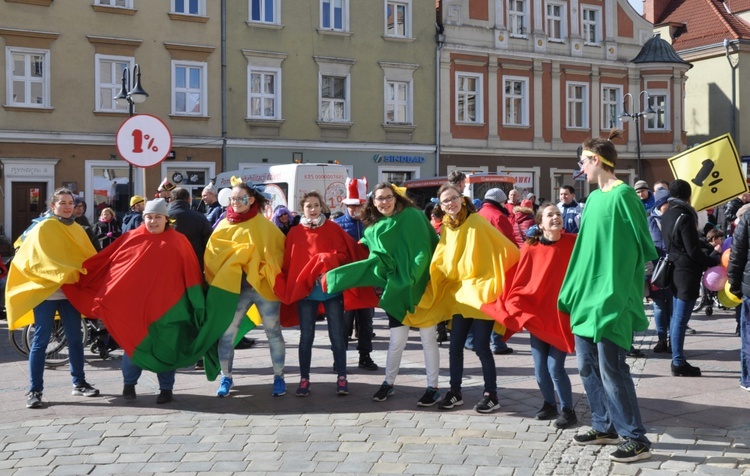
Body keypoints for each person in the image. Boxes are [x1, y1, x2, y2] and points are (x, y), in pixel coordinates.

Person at [558, 130, 656, 463]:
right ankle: (603, 424)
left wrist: (620, 289)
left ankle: (635, 437)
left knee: (613, 369)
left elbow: (642, 246)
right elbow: (585, 250)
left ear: (596, 160)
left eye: (582, 162)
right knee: (586, 366)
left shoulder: (624, 195)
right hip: (587, 297)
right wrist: (574, 287)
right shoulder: (594, 199)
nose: (581, 168)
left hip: (611, 298)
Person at [64, 198, 210, 404]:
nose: (153, 221)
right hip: (135, 310)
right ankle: (129, 385)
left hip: (169, 309)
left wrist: (196, 303)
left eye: (157, 217)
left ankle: (166, 389)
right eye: (149, 217)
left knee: (167, 348)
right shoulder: (132, 237)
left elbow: (191, 275)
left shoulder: (179, 241)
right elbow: (110, 263)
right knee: (134, 348)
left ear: (167, 219)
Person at [325, 183, 441, 407]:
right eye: (380, 199)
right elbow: (375, 256)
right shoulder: (373, 228)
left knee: (428, 339)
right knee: (397, 341)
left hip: (423, 288)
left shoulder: (413, 216)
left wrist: (412, 280)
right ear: (373, 202)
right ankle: (388, 382)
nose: (385, 202)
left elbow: (423, 252)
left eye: (389, 197)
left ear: (396, 199)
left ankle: (432, 387)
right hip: (396, 290)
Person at [412, 183, 519, 414]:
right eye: (445, 201)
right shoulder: (448, 228)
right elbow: (444, 258)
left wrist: (494, 280)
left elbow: (505, 249)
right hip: (460, 296)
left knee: (481, 345)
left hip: (480, 294)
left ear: (462, 199)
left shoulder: (477, 222)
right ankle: (455, 391)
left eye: (453, 198)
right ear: (440, 206)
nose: (450, 204)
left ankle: (491, 394)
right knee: (455, 346)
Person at [5, 188, 100, 409]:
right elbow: (35, 259)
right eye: (62, 203)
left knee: (76, 340)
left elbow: (87, 258)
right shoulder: (43, 227)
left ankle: (79, 383)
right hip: (46, 293)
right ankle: (35, 390)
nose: (67, 206)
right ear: (52, 206)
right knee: (40, 342)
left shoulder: (78, 229)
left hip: (70, 294)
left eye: (70, 203)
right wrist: (61, 272)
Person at [275, 192, 374, 396]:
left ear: (322, 207)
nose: (313, 209)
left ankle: (342, 377)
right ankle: (304, 379)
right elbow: (289, 263)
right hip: (306, 294)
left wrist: (325, 259)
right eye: (309, 206)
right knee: (306, 337)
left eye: (316, 205)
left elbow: (346, 254)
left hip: (331, 292)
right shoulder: (295, 233)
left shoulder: (333, 228)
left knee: (337, 336)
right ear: (302, 209)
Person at [489, 203, 578, 429]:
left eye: (558, 214)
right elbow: (519, 281)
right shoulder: (531, 248)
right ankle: (549, 404)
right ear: (540, 223)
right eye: (550, 215)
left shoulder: (573, 243)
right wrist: (517, 305)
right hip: (538, 317)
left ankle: (568, 410)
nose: (556, 217)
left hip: (562, 316)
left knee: (555, 367)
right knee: (539, 369)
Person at [203, 179, 287, 398]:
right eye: (232, 199)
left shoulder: (265, 225)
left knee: (273, 333)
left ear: (250, 200)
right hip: (234, 290)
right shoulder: (223, 224)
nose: (236, 203)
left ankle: (279, 377)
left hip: (263, 288)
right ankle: (226, 376)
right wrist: (235, 262)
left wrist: (260, 263)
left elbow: (279, 252)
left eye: (240, 198)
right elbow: (212, 254)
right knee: (227, 334)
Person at [661, 179, 719, 377]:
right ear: (688, 195)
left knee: (676, 316)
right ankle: (678, 361)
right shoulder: (685, 216)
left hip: (674, 270)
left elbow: (680, 243)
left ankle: (677, 358)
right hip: (686, 273)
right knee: (680, 318)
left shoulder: (668, 213)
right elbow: (692, 251)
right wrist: (713, 260)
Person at [334, 177, 378, 371]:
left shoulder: (373, 224)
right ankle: (339, 358)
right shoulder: (336, 225)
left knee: (366, 323)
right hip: (346, 281)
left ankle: (365, 356)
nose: (354, 210)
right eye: (351, 206)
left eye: (358, 206)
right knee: (343, 323)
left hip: (367, 280)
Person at [727, 206, 750, 392]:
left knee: (749, 335)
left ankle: (748, 379)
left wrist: (734, 284)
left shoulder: (748, 218)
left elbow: (737, 254)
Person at [648, 188, 672, 353]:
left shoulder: (675, 217)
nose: (670, 205)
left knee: (672, 305)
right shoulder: (648, 220)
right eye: (667, 203)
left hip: (673, 268)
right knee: (658, 305)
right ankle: (661, 339)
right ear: (660, 204)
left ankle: (672, 339)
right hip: (656, 269)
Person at [168, 187, 212, 271]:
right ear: (189, 200)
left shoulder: (162, 218)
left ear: (170, 201)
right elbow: (209, 243)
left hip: (169, 266)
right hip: (194, 265)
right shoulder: (200, 217)